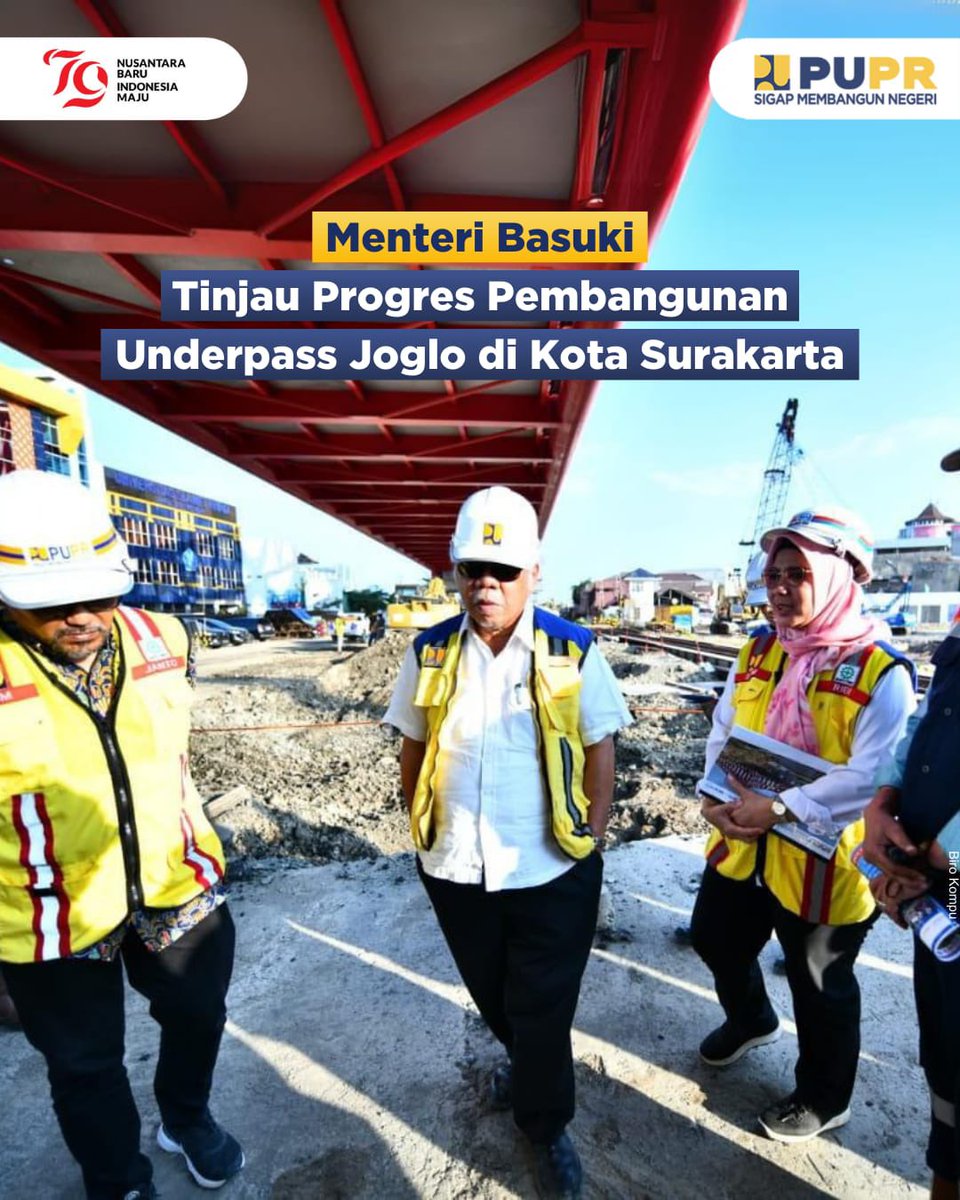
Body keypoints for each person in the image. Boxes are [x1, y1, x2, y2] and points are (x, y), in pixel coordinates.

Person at [0, 470, 243, 1200]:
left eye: (98, 594)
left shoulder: (164, 636)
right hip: (49, 914)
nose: (81, 617)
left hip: (176, 883)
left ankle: (185, 1116)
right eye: (51, 604)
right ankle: (118, 1180)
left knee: (199, 1014)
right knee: (84, 1067)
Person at [384, 486, 630, 1200]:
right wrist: (418, 822)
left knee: (544, 1008)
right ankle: (528, 1070)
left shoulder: (572, 647)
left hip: (550, 863)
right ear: (455, 570)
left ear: (534, 573)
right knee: (492, 991)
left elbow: (599, 743)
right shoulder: (428, 651)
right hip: (454, 861)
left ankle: (544, 1126)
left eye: (503, 571)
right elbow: (412, 743)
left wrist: (594, 831)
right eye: (473, 570)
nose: (486, 585)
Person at [690, 506, 916, 1144]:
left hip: (828, 858)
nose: (780, 588)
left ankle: (825, 1095)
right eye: (774, 574)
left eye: (798, 574)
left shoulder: (880, 672)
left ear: (840, 577)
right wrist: (712, 798)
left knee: (820, 982)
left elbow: (873, 778)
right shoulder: (759, 650)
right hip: (744, 840)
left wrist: (783, 807)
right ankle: (752, 1018)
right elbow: (726, 730)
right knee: (715, 936)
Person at [863, 443, 960, 1200]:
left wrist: (945, 851)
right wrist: (884, 805)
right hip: (942, 888)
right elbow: (927, 725)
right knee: (950, 1049)